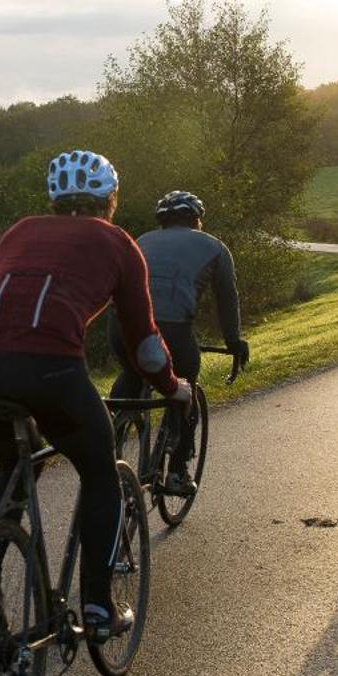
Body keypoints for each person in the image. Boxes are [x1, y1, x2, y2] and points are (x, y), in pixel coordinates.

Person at [0, 149, 189, 642]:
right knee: (100, 468)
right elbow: (145, 348)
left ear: (53, 200)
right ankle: (99, 605)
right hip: (48, 369)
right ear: (111, 198)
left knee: (14, 467)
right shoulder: (120, 242)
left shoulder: (18, 232)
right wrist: (174, 389)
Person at [109, 190, 249, 497]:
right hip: (173, 330)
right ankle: (177, 472)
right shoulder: (214, 246)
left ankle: (112, 435)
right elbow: (227, 299)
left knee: (132, 370)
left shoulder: (141, 240)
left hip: (121, 327)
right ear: (197, 220)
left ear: (161, 222)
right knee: (185, 386)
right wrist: (234, 341)